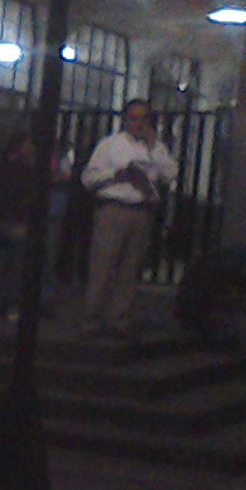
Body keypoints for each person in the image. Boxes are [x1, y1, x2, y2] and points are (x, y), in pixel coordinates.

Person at [79, 99, 178, 339]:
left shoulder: (155, 148)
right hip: (114, 208)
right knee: (103, 265)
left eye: (143, 118)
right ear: (125, 119)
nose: (138, 124)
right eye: (134, 118)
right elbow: (88, 178)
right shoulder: (110, 145)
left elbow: (170, 173)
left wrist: (153, 147)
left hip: (141, 210)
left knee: (130, 268)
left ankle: (120, 318)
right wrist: (116, 173)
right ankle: (92, 318)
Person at [0, 131, 38, 321]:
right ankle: (12, 305)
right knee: (15, 267)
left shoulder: (0, 166)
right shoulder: (26, 170)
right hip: (17, 221)